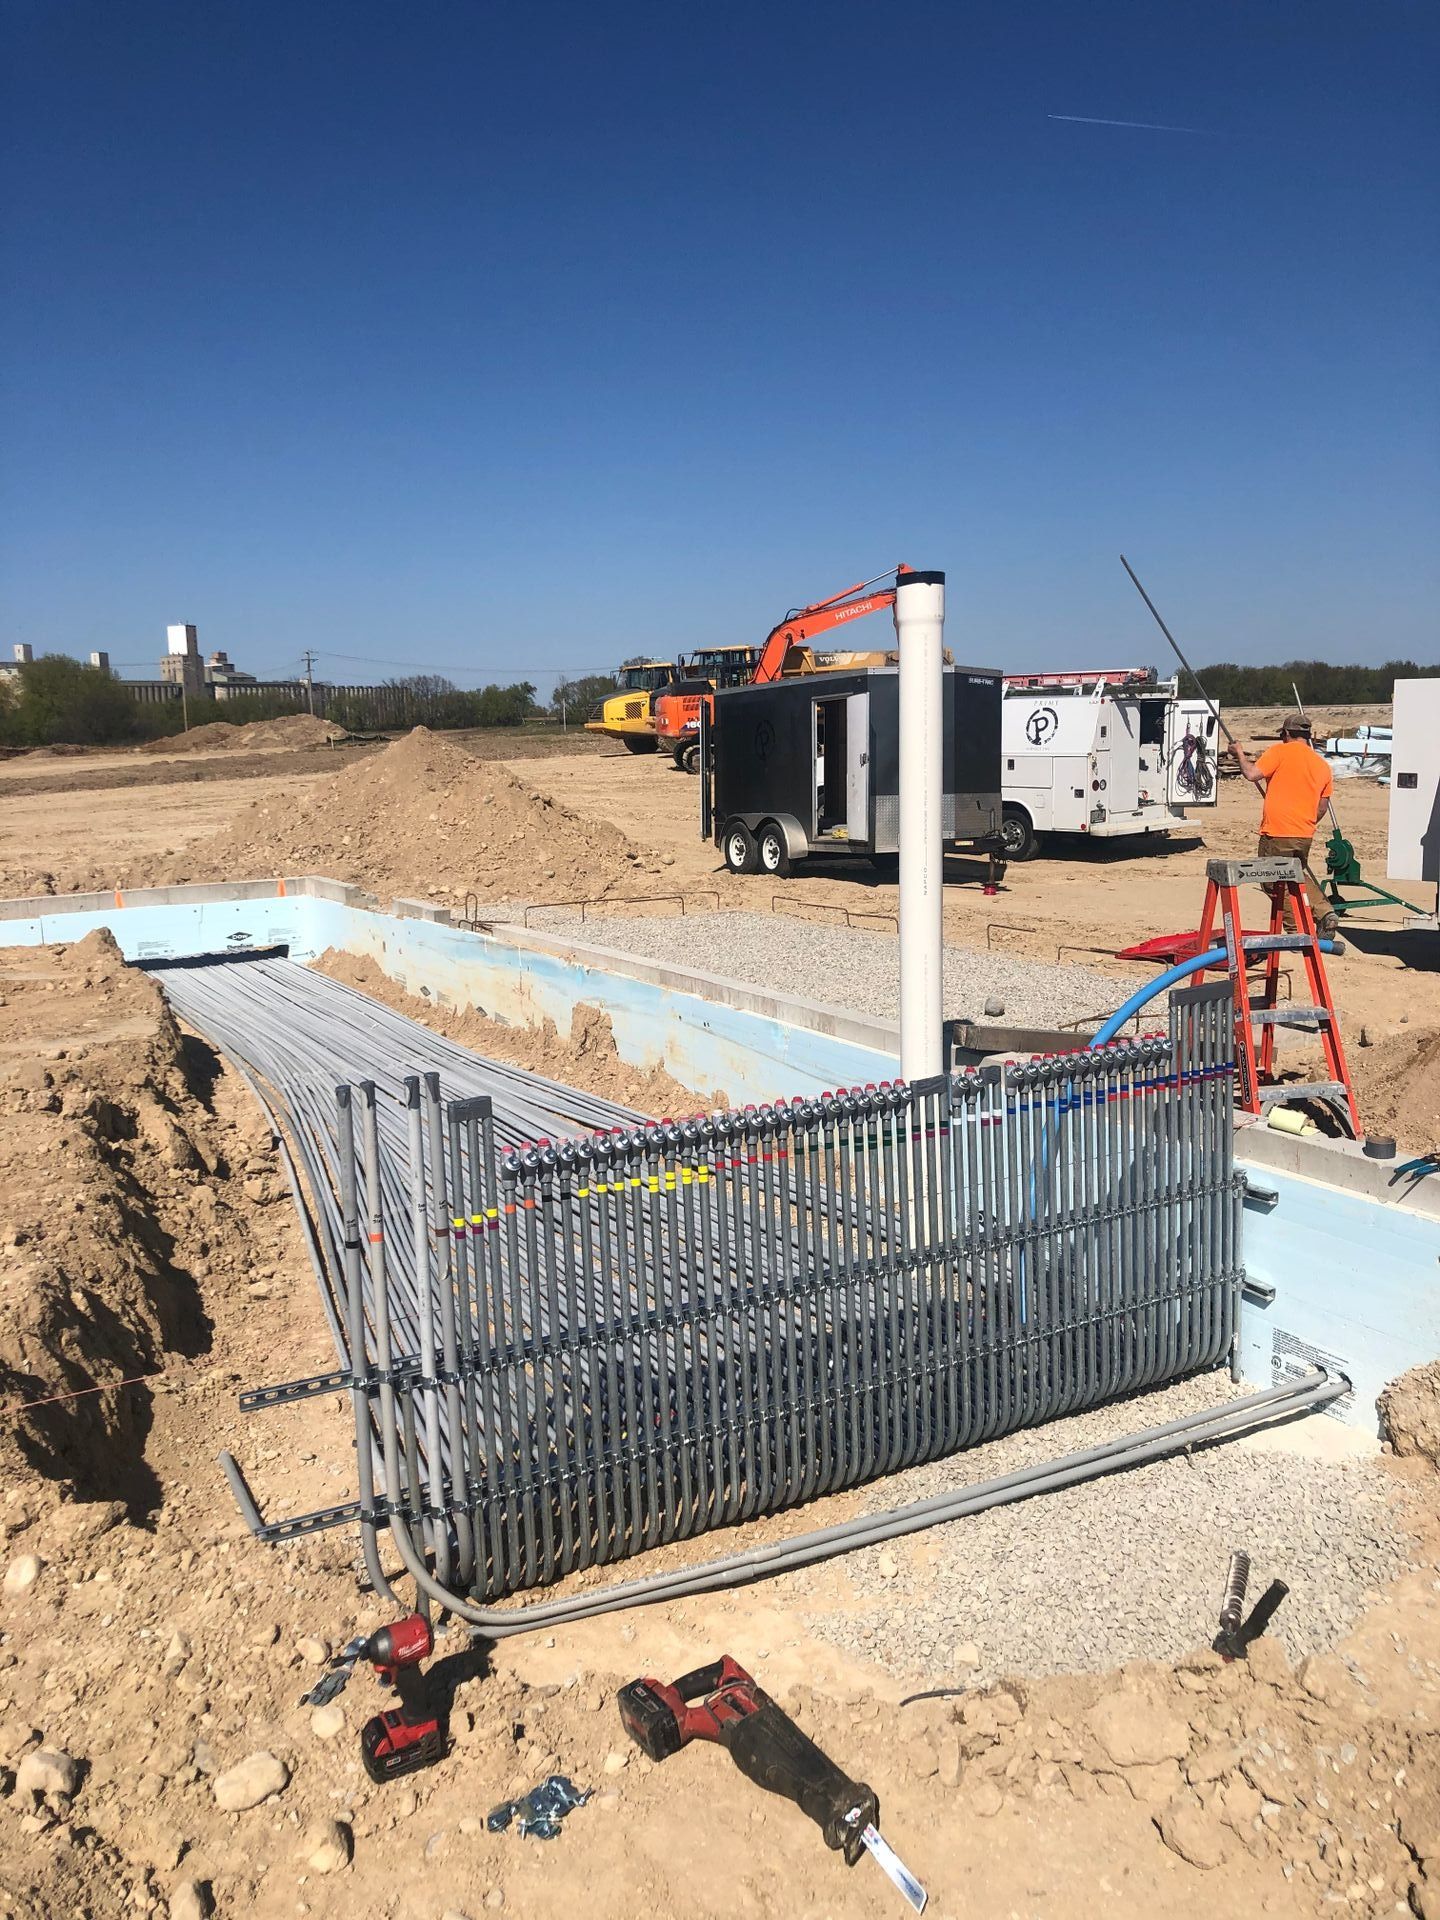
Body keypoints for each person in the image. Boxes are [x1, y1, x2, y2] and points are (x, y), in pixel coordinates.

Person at [1230, 714, 1339, 936]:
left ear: (1286, 733)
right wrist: (1303, 821)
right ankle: (1324, 911)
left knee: (1272, 881)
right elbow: (1322, 807)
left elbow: (1251, 774)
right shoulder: (1322, 765)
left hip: (1278, 831)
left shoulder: (1279, 752)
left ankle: (1296, 930)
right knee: (1295, 875)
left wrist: (1239, 753)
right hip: (1304, 833)